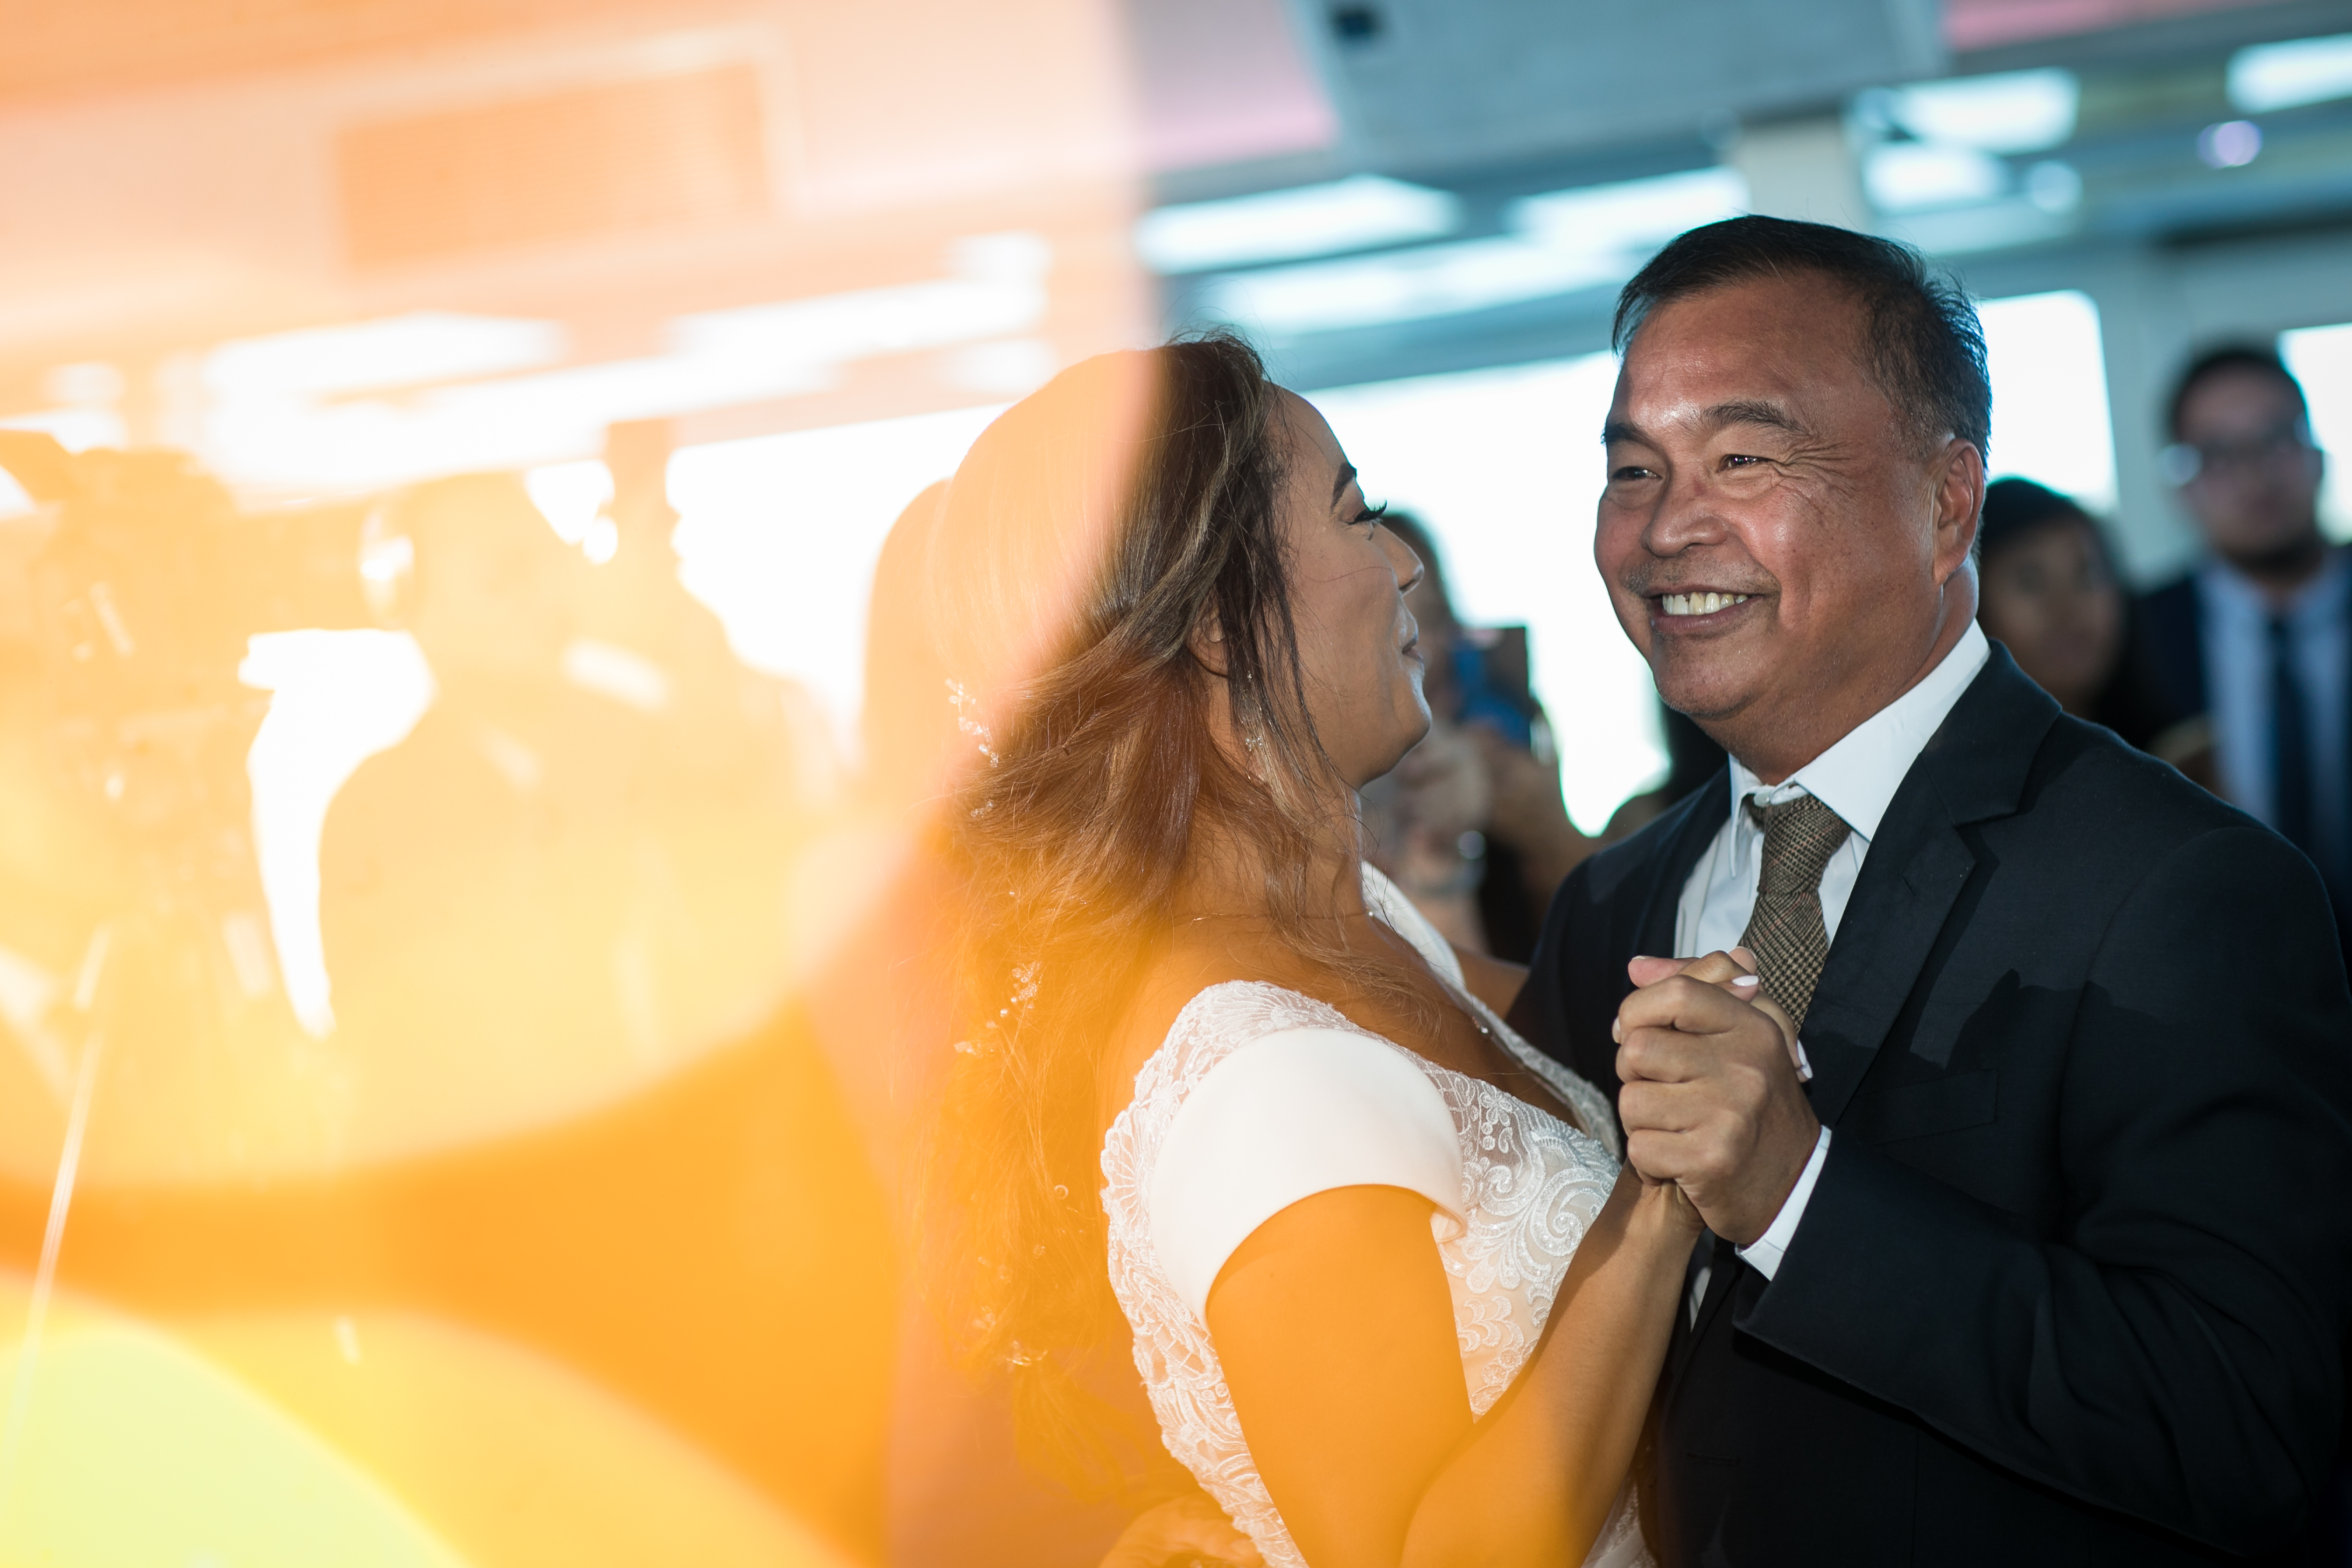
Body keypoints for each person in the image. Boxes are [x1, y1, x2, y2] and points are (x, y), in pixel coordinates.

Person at [1505, 217, 2352, 1562]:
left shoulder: (2177, 887)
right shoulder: (1611, 906)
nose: (1665, 529)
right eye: (1632, 470)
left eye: (1742, 459)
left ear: (1947, 502)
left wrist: (1800, 1195)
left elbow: (2247, 1427)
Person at [923, 336, 1779, 1568]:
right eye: (1354, 514)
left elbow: (1596, 1016)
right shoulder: (1263, 1078)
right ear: (1219, 622)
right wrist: (1657, 1213)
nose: (1405, 563)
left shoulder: (1353, 921)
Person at [2133, 346, 2348, 951]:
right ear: (2182, 488)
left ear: (2318, 458)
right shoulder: (2137, 634)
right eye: (2220, 455)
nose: (2256, 476)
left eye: (2277, 440)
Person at [1975, 476, 2160, 742]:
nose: (2066, 610)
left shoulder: (2182, 755)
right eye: (2030, 581)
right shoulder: (1944, 767)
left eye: (2087, 575)